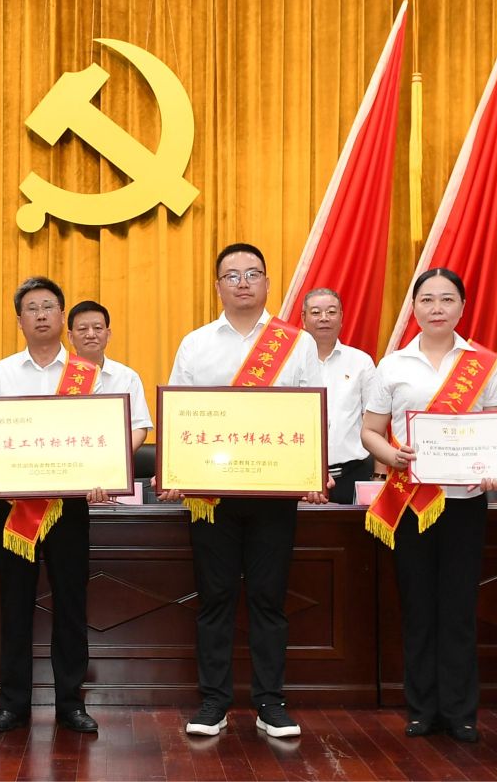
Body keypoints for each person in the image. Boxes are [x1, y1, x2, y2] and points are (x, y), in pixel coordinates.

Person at [0, 278, 149, 736]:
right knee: (14, 605)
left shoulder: (90, 374)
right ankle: (13, 705)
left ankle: (70, 703)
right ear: (20, 320)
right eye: (32, 308)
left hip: (71, 505)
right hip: (15, 507)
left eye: (49, 306)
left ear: (62, 317)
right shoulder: (2, 374)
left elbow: (130, 429)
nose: (41, 314)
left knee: (71, 603)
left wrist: (109, 470)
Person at [163, 243, 328, 740]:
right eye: (232, 275)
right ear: (217, 286)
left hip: (274, 493)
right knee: (215, 597)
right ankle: (214, 701)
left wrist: (314, 473)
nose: (242, 282)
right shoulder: (196, 344)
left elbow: (311, 413)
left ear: (267, 283)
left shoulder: (297, 344)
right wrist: (173, 470)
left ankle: (269, 702)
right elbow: (179, 415)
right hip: (210, 496)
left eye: (252, 273)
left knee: (268, 598)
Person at [358, 268, 497, 742]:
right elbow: (370, 432)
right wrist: (391, 455)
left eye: (446, 299)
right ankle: (421, 709)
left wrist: (492, 467)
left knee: (459, 609)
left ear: (462, 306)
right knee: (418, 607)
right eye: (427, 299)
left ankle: (461, 712)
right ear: (414, 307)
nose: (437, 308)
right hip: (412, 500)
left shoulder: (484, 363)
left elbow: (496, 429)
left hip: (466, 501)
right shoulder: (393, 365)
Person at [304, 288, 376, 504]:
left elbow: (375, 422)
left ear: (341, 317)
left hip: (354, 473)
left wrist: (379, 476)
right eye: (316, 312)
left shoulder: (361, 362)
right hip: (302, 475)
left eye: (331, 312)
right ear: (303, 318)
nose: (324, 318)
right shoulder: (291, 362)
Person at [64, 300, 153, 453]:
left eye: (98, 328)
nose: (91, 334)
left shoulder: (127, 377)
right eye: (83, 329)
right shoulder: (60, 374)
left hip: (115, 459)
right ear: (70, 337)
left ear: (108, 334)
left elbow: (139, 427)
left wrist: (118, 457)